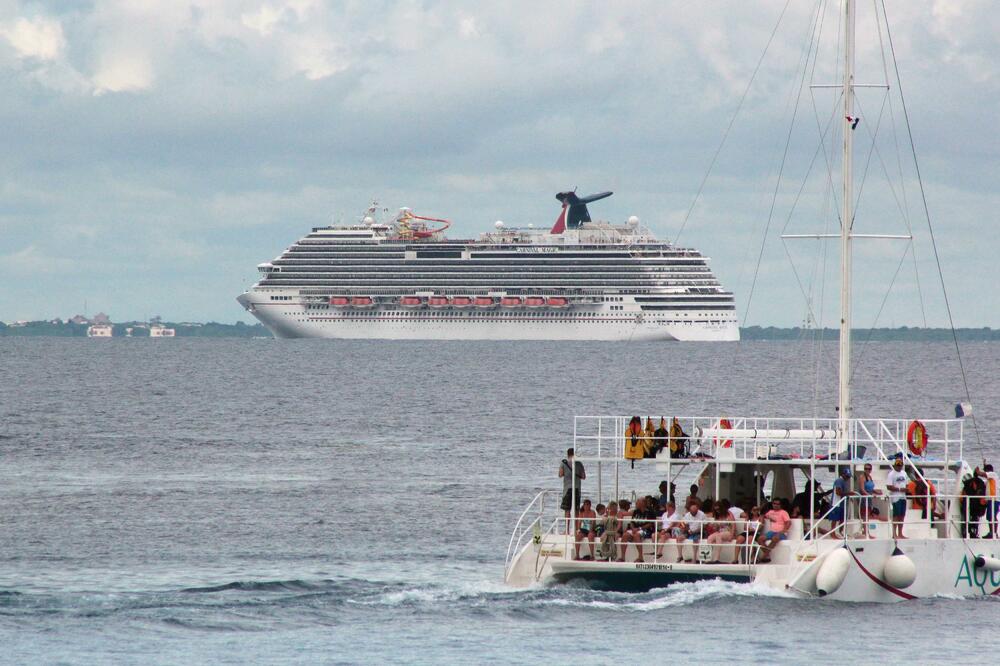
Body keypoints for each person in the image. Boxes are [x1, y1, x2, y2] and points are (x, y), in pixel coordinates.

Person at [620, 497, 657, 563]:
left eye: (637, 502)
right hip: (635, 529)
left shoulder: (650, 512)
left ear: (642, 503)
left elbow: (651, 524)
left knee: (637, 535)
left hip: (646, 530)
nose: (636, 504)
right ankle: (622, 557)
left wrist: (639, 528)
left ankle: (640, 557)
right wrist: (633, 528)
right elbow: (632, 522)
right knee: (625, 535)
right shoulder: (636, 511)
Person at [559, 448, 586, 528]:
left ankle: (567, 529)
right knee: (577, 510)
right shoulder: (579, 463)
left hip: (567, 489)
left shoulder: (564, 463)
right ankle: (577, 528)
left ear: (567, 454)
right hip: (577, 488)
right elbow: (584, 476)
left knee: (567, 510)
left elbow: (560, 474)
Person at [960, 468, 988, 538]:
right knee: (971, 517)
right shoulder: (977, 483)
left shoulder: (978, 483)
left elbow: (963, 495)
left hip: (975, 505)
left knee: (973, 517)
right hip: (972, 505)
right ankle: (969, 531)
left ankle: (971, 531)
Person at [886, 458, 909, 539]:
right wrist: (899, 489)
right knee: (896, 515)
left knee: (902, 515)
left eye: (900, 466)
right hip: (896, 497)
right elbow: (888, 486)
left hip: (903, 497)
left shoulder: (904, 473)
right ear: (895, 465)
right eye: (897, 465)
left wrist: (906, 489)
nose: (899, 467)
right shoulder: (891, 474)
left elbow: (906, 484)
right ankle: (894, 534)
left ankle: (900, 533)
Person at [856, 463, 881, 538]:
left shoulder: (869, 477)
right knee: (865, 515)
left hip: (869, 498)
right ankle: (866, 533)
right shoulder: (862, 477)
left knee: (868, 515)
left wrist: (876, 492)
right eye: (865, 468)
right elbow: (862, 489)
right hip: (864, 498)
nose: (867, 470)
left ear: (871, 470)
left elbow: (870, 488)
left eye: (869, 469)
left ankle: (866, 532)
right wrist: (869, 495)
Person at [828, 467, 855, 537]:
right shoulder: (839, 481)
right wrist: (849, 493)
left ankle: (841, 532)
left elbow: (843, 492)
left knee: (842, 519)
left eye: (848, 477)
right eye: (847, 476)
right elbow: (838, 492)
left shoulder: (844, 482)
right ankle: (833, 533)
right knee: (835, 519)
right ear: (843, 474)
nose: (848, 478)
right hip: (836, 503)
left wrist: (849, 497)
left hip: (842, 504)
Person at [985, 464, 998, 539]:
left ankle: (994, 533)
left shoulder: (993, 474)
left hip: (994, 500)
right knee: (989, 516)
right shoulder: (990, 479)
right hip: (990, 500)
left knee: (992, 516)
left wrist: (978, 471)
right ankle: (991, 532)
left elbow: (983, 474)